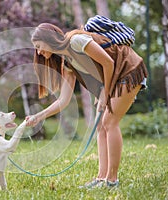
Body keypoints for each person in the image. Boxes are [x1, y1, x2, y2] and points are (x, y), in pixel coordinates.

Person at [25, 23, 148, 188]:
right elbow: (64, 100)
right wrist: (38, 116)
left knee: (109, 122)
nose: (38, 52)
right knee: (100, 126)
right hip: (113, 78)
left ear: (48, 39)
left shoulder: (76, 40)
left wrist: (105, 92)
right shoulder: (67, 62)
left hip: (127, 68)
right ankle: (101, 178)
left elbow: (108, 63)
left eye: (39, 46)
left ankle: (112, 180)